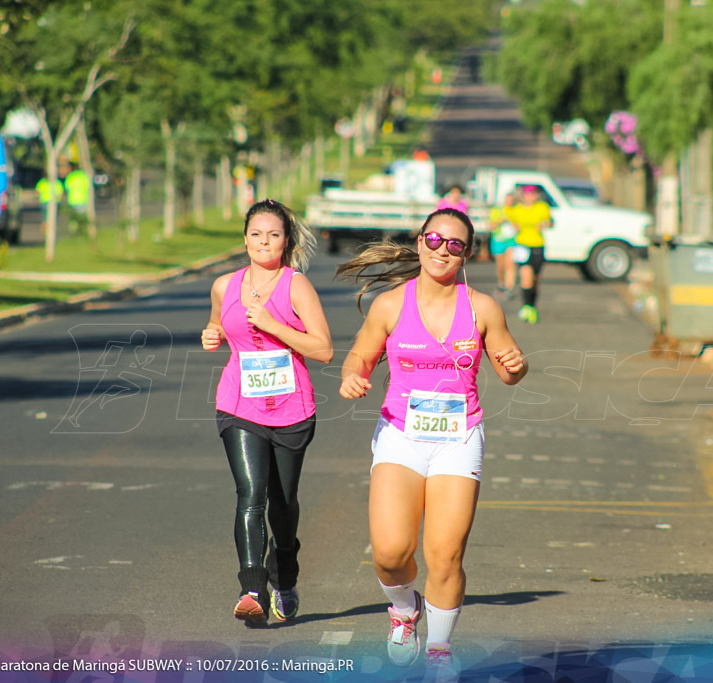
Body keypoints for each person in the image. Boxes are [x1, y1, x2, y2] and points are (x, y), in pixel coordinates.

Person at [336, 208, 528, 675]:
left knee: (444, 553)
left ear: (467, 255)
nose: (444, 250)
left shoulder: (482, 308)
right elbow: (359, 357)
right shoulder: (390, 305)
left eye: (456, 244)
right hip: (401, 434)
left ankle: (440, 648)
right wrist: (353, 377)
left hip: (458, 438)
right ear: (420, 243)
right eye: (436, 240)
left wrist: (514, 367)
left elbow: (507, 371)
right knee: (390, 552)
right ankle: (404, 610)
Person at [200, 199, 333, 624]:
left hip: (292, 409)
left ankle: (286, 574)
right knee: (250, 494)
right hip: (239, 404)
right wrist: (212, 335)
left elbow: (324, 350)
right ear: (245, 239)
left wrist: (274, 325)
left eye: (273, 234)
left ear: (286, 241)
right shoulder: (224, 285)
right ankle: (252, 587)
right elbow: (219, 325)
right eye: (256, 234)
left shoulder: (296, 286)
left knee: (283, 503)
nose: (264, 241)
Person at [504, 185, 553, 323]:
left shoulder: (542, 207)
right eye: (528, 194)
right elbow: (505, 212)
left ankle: (532, 306)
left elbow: (549, 222)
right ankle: (526, 307)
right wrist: (513, 223)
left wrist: (545, 223)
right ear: (523, 196)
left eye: (533, 194)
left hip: (537, 245)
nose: (530, 197)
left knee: (535, 280)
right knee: (526, 275)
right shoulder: (517, 209)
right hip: (522, 245)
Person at [488, 191, 518, 297]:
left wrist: (511, 221)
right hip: (498, 239)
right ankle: (501, 284)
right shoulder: (497, 210)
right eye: (508, 199)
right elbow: (492, 226)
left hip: (511, 240)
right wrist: (502, 220)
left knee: (510, 265)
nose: (509, 202)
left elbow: (519, 227)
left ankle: (509, 287)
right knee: (501, 265)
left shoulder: (516, 210)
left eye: (511, 200)